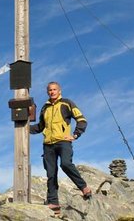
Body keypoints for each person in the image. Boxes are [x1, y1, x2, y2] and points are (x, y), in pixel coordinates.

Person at [30, 81, 92, 211]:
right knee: (51, 173)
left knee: (66, 164)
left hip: (63, 141)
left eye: (54, 89)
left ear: (59, 91)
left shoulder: (67, 103)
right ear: (47, 92)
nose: (52, 92)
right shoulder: (44, 108)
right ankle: (53, 202)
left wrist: (75, 135)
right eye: (49, 90)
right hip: (48, 144)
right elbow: (41, 127)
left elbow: (81, 120)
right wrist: (25, 128)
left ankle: (83, 187)